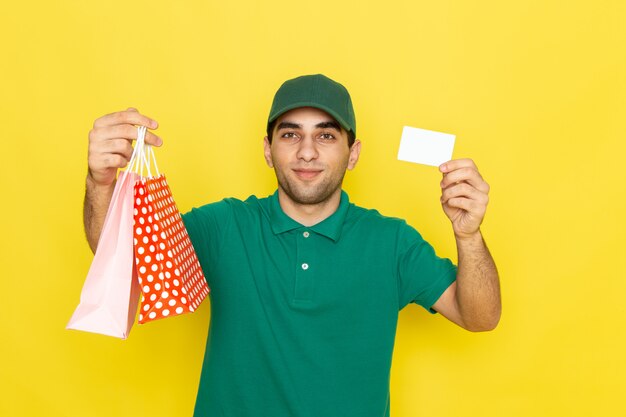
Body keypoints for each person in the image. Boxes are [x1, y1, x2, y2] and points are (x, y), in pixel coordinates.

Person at [84, 74, 501, 417]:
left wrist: (468, 235)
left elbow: (479, 316)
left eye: (325, 136)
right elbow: (126, 269)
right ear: (268, 150)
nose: (306, 152)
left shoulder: (392, 242)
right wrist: (101, 183)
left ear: (353, 153)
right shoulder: (224, 225)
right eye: (290, 134)